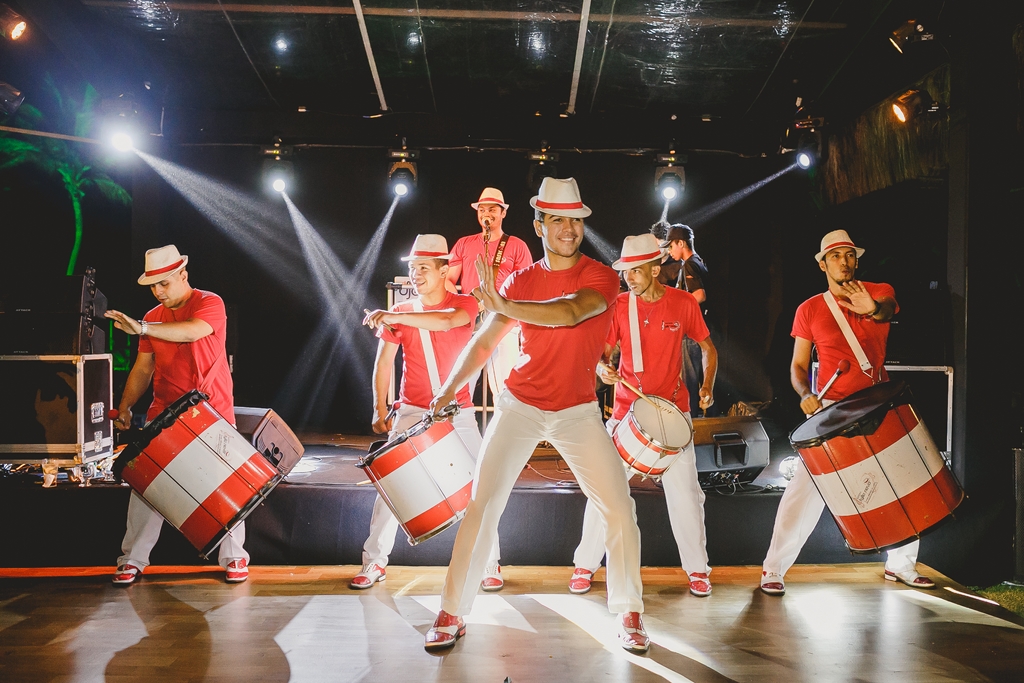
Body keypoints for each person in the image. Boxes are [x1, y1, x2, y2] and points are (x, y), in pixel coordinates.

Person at [423, 178, 650, 654]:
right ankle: (452, 610)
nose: (569, 229)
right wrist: (447, 389)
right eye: (558, 220)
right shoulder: (520, 280)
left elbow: (571, 312)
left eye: (576, 220)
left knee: (619, 508)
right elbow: (484, 340)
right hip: (519, 406)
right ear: (539, 224)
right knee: (482, 505)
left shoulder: (602, 277)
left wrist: (506, 305)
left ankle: (629, 611)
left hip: (578, 412)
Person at [760, 229, 935, 595]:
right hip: (831, 411)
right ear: (823, 264)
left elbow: (886, 310)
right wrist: (805, 392)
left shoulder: (878, 290)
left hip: (877, 402)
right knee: (804, 491)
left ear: (857, 259)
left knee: (900, 481)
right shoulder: (809, 308)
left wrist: (871, 308)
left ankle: (901, 564)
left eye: (850, 255)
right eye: (836, 256)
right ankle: (773, 569)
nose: (845, 261)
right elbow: (797, 365)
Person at [569, 233, 719, 598]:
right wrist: (604, 368)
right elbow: (602, 355)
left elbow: (708, 350)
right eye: (625, 272)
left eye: (636, 271)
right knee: (603, 493)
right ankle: (585, 566)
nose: (629, 278)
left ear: (655, 268)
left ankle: (698, 570)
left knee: (686, 494)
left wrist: (707, 387)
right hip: (625, 415)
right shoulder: (619, 306)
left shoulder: (684, 303)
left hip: (673, 414)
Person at [356, 234, 502, 591]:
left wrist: (392, 314)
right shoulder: (400, 314)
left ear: (444, 270)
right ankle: (374, 562)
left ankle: (490, 563)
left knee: (480, 488)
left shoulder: (465, 305)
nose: (416, 274)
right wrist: (378, 407)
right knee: (391, 488)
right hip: (412, 411)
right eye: (411, 268)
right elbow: (384, 362)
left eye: (423, 267)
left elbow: (447, 322)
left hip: (459, 411)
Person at [104, 245, 248, 585]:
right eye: (153, 286)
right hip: (164, 413)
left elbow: (192, 330)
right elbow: (143, 368)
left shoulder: (210, 303)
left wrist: (142, 329)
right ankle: (132, 560)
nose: (159, 292)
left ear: (184, 274)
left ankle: (234, 558)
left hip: (212, 411)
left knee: (223, 486)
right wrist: (125, 406)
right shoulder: (152, 318)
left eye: (165, 283)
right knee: (146, 487)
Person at [446, 188, 533, 397]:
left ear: (503, 213)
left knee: (506, 387)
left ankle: (507, 428)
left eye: (492, 209)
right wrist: (465, 304)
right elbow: (448, 279)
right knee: (460, 388)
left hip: (503, 319)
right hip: (471, 318)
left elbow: (527, 287)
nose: (486, 214)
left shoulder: (517, 245)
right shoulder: (464, 243)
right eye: (482, 209)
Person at [658, 224, 710, 414]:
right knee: (698, 380)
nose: (670, 251)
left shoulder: (689, 264)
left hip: (692, 335)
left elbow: (700, 295)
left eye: (671, 246)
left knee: (689, 381)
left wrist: (677, 310)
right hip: (700, 332)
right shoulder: (698, 261)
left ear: (681, 243)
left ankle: (691, 422)